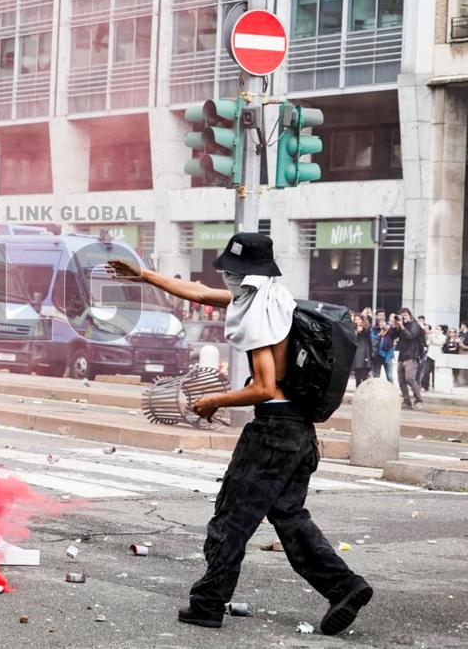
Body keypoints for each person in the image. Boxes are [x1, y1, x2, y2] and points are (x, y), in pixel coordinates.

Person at [109, 233, 372, 636]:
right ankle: (345, 586)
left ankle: (209, 603)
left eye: (231, 271)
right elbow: (197, 292)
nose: (226, 276)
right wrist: (143, 274)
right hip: (298, 431)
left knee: (231, 519)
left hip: (273, 431)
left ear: (245, 272)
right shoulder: (271, 297)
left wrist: (215, 401)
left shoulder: (258, 315)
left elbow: (265, 386)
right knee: (289, 516)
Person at [394, 307, 425, 409]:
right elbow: (392, 336)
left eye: (405, 315)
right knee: (401, 380)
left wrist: (402, 327)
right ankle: (406, 401)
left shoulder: (414, 325)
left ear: (410, 316)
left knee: (410, 378)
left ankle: (418, 400)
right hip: (402, 356)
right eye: (402, 316)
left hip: (412, 356)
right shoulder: (401, 326)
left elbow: (411, 336)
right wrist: (394, 326)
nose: (404, 317)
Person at [423, 324, 445, 392]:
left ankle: (434, 387)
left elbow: (439, 342)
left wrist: (433, 338)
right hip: (430, 355)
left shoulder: (443, 337)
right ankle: (425, 387)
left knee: (435, 373)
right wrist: (431, 338)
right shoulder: (431, 336)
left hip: (438, 357)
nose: (436, 330)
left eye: (438, 329)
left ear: (442, 330)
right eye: (436, 328)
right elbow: (428, 343)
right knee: (426, 372)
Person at [352, 314, 372, 387]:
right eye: (355, 319)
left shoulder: (366, 328)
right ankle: (358, 394)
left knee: (364, 378)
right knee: (357, 378)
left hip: (364, 357)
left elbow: (366, 332)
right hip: (356, 357)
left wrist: (361, 329)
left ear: (362, 320)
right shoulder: (353, 329)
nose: (357, 321)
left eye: (359, 319)